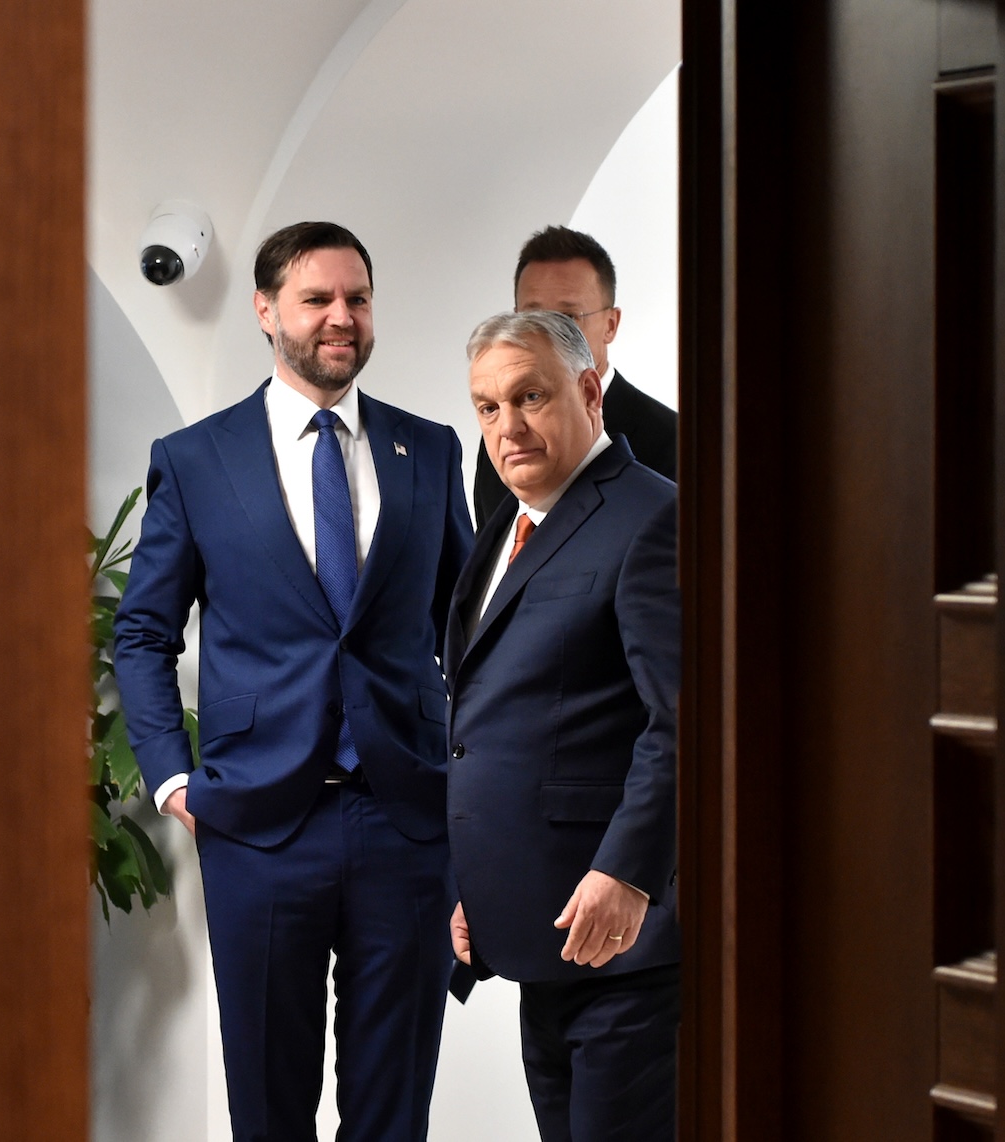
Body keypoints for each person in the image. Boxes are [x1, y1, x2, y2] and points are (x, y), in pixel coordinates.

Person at [113, 221, 473, 1142]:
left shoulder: (428, 451)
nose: (340, 318)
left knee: (393, 1111)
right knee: (268, 1109)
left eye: (357, 298)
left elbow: (470, 632)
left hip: (406, 820)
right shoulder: (196, 460)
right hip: (260, 825)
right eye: (317, 299)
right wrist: (172, 774)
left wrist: (472, 782)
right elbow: (145, 631)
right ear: (267, 311)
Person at [445, 310, 680, 1142]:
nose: (507, 428)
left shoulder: (652, 518)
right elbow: (486, 723)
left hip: (626, 950)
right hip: (540, 942)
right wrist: (469, 887)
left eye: (529, 397)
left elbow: (680, 724)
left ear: (588, 390)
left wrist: (628, 873)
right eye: (487, 407)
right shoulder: (506, 529)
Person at [471, 225, 677, 528]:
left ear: (611, 324)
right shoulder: (503, 437)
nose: (548, 334)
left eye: (567, 318)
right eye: (532, 318)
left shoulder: (675, 443)